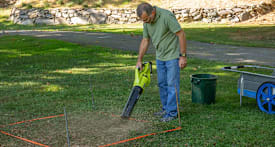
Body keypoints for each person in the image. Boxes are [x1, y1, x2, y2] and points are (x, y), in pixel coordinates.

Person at [136, 3, 187, 122]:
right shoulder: (147, 22)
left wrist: (183, 56)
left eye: (147, 19)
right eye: (143, 20)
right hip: (160, 56)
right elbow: (145, 40)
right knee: (162, 83)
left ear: (152, 13)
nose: (146, 22)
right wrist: (139, 60)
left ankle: (172, 113)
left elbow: (181, 34)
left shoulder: (166, 16)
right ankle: (166, 108)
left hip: (172, 56)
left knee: (171, 84)